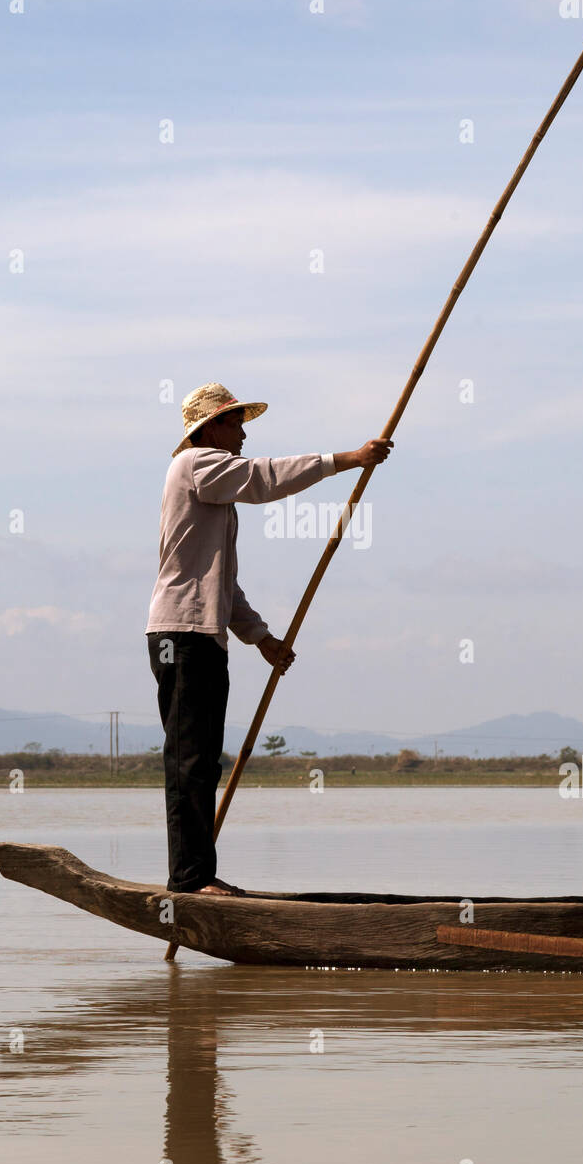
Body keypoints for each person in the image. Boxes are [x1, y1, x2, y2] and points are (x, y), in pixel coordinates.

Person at [146, 382, 392, 897]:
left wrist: (261, 639)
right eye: (235, 423)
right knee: (189, 759)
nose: (241, 434)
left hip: (203, 635)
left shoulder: (214, 493)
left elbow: (223, 586)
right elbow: (266, 478)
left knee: (203, 760)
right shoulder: (196, 465)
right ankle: (189, 882)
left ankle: (197, 875)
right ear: (211, 427)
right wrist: (348, 459)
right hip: (182, 634)